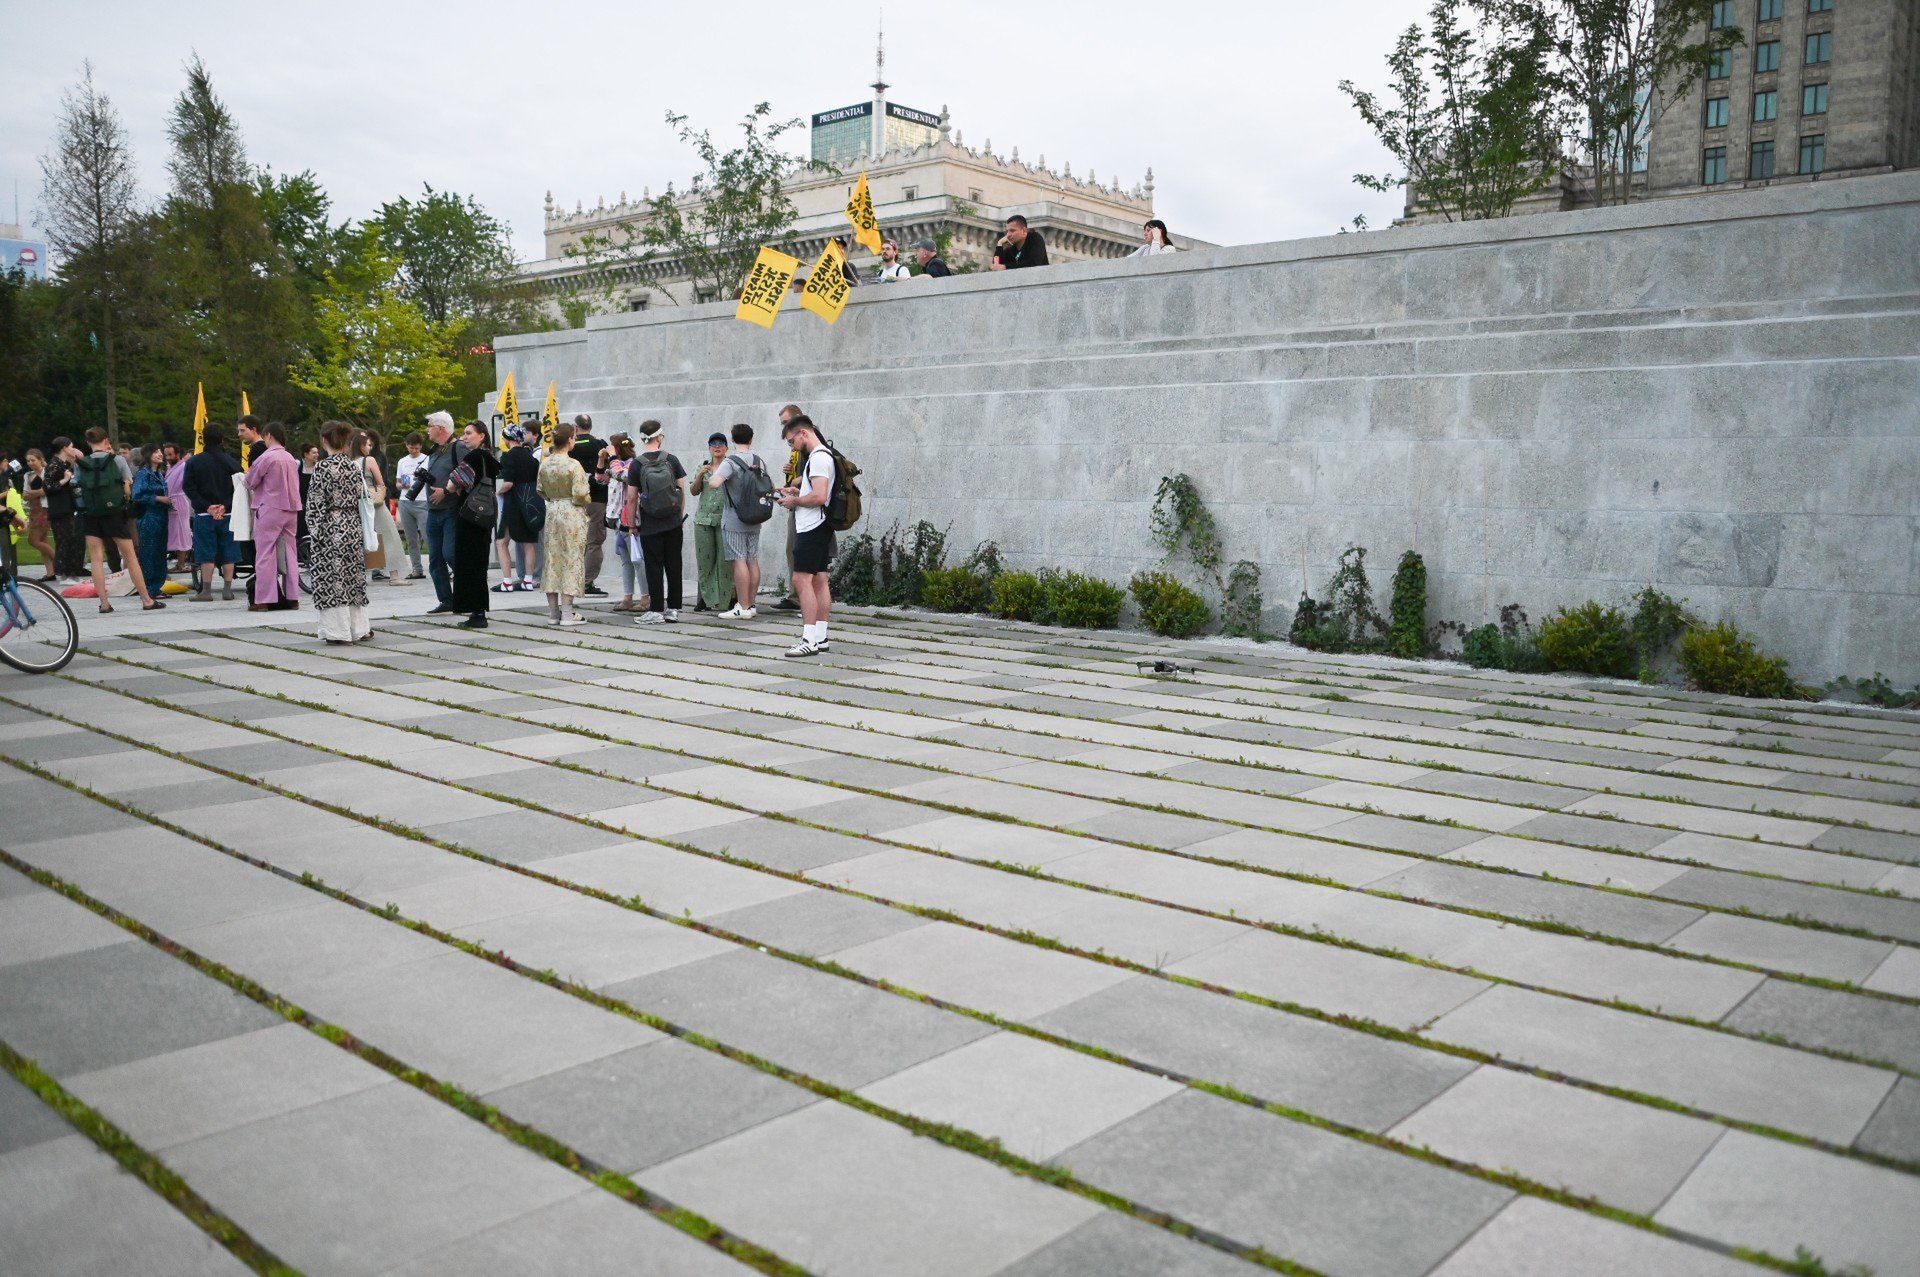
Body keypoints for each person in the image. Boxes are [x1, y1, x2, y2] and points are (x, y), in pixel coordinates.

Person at [74, 427, 163, 613]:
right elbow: (128, 487)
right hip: (115, 513)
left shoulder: (80, 463)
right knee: (131, 558)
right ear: (106, 440)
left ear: (88, 442)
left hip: (90, 514)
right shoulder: (118, 460)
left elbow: (78, 488)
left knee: (96, 559)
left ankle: (104, 603)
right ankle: (146, 600)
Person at [308, 422, 373, 644]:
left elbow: (315, 504)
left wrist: (314, 531)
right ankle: (360, 628)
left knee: (331, 579)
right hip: (352, 525)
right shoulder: (354, 466)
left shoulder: (322, 467)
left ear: (324, 440)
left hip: (330, 527)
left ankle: (338, 632)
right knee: (353, 576)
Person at [776, 415, 835, 657]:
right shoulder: (822, 456)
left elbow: (819, 497)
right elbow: (817, 492)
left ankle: (808, 639)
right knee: (820, 581)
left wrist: (795, 500)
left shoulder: (819, 458)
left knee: (801, 581)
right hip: (820, 526)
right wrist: (797, 490)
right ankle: (820, 637)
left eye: (792, 441)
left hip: (811, 527)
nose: (792, 446)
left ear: (804, 433)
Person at [627, 420, 686, 624]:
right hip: (673, 521)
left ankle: (655, 610)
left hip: (650, 523)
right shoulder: (672, 460)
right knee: (674, 563)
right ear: (660, 437)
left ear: (643, 438)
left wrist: (632, 524)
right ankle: (674, 609)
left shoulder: (637, 464)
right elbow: (681, 490)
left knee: (653, 565)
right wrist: (679, 516)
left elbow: (632, 497)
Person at [536, 420, 591, 627]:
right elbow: (580, 493)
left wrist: (553, 498)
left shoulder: (546, 462)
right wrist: (584, 499)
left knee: (552, 559)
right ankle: (567, 613)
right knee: (571, 558)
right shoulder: (573, 464)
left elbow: (540, 489)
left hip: (552, 511)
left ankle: (553, 613)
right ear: (569, 440)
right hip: (571, 512)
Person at [711, 422, 769, 619]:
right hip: (755, 517)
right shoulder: (759, 460)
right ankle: (751, 605)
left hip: (734, 518)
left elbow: (714, 483)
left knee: (739, 560)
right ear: (751, 440)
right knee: (752, 559)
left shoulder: (730, 462)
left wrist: (715, 473)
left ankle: (742, 607)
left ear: (733, 440)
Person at [445, 420, 499, 629]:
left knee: (468, 564)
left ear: (481, 436)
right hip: (485, 517)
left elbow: (452, 484)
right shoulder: (490, 458)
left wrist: (451, 489)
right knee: (480, 564)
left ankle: (476, 613)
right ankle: (480, 611)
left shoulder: (473, 457)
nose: (464, 437)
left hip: (469, 516)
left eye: (469, 433)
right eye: (463, 433)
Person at [245, 421, 302, 612]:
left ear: (268, 436)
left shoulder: (266, 458)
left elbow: (250, 481)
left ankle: (264, 600)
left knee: (265, 554)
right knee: (290, 553)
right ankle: (293, 597)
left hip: (270, 508)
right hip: (292, 509)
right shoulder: (290, 457)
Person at [183, 428, 243, 601]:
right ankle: (227, 589)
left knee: (206, 552)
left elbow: (188, 487)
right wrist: (225, 506)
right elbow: (240, 487)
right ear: (222, 439)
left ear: (203, 439)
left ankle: (206, 591)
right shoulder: (232, 462)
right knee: (229, 551)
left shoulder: (194, 462)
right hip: (228, 514)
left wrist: (206, 506)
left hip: (204, 515)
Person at [420, 411, 467, 614]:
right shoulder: (434, 449)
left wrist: (447, 491)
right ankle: (446, 600)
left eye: (430, 425)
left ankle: (467, 594)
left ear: (441, 428)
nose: (427, 429)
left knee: (450, 553)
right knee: (435, 559)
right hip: (433, 511)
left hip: (451, 508)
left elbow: (467, 475)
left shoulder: (458, 447)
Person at [687, 432, 735, 613]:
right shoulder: (704, 466)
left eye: (721, 444)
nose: (717, 447)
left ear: (726, 447)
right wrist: (699, 475)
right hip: (703, 519)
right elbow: (693, 491)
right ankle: (704, 599)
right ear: (709, 447)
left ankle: (725, 601)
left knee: (725, 562)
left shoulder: (731, 466)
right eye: (713, 444)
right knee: (704, 561)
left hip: (725, 519)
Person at [605, 433, 650, 614]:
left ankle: (646, 597)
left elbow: (621, 475)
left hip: (632, 519)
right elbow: (600, 479)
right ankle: (627, 596)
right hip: (618, 520)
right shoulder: (615, 464)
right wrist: (602, 461)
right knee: (625, 561)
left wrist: (613, 458)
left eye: (611, 446)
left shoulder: (634, 464)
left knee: (638, 560)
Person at [494, 423, 540, 592]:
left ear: (508, 439)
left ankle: (507, 581)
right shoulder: (531, 458)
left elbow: (508, 483)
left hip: (513, 504)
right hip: (529, 505)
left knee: (501, 542)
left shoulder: (507, 457)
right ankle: (528, 580)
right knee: (528, 543)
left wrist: (497, 492)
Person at [567, 414, 609, 597]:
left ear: (575, 428)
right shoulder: (600, 444)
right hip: (597, 499)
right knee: (594, 542)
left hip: (575, 499)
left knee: (576, 540)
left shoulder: (571, 446)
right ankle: (587, 582)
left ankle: (574, 579)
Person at [358, 429, 406, 586]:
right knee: (390, 537)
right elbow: (382, 481)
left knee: (362, 538)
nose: (370, 447)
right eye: (367, 444)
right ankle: (394, 575)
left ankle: (359, 576)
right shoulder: (370, 459)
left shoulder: (348, 461)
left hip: (357, 505)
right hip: (374, 503)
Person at [772, 403, 805, 611]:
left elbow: (817, 470)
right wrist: (789, 474)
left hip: (807, 505)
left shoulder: (809, 440)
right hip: (798, 502)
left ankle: (799, 596)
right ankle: (797, 595)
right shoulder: (797, 445)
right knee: (793, 550)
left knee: (797, 550)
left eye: (785, 423)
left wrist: (794, 482)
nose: (783, 428)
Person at [131, 444, 172, 594]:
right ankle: (148, 587)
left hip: (161, 517)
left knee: (160, 552)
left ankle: (157, 586)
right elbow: (136, 496)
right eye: (156, 452)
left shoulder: (160, 474)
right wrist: (159, 498)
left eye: (160, 451)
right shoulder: (144, 474)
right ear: (148, 455)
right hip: (148, 517)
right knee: (149, 552)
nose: (160, 454)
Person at [43, 437, 82, 579]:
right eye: (71, 446)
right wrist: (65, 480)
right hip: (60, 509)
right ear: (64, 448)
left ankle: (71, 573)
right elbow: (47, 486)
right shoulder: (54, 464)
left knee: (72, 539)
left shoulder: (63, 464)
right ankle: (64, 574)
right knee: (64, 540)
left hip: (68, 507)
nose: (73, 449)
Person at [393, 432, 430, 580]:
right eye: (410, 448)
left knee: (428, 536)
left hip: (422, 501)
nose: (413, 450)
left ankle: (438, 567)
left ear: (420, 446)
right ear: (406, 446)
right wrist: (401, 484)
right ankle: (417, 569)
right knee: (411, 538)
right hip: (405, 500)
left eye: (415, 448)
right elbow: (397, 482)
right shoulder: (402, 461)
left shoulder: (427, 459)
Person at [19, 450, 57, 581]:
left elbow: (46, 491)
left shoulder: (48, 473)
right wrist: (37, 493)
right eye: (28, 460)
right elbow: (24, 494)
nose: (30, 463)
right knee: (43, 540)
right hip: (34, 509)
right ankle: (50, 572)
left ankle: (60, 561)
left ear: (40, 460)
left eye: (33, 460)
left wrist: (34, 493)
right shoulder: (27, 475)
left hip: (45, 509)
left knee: (33, 540)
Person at [162, 443, 193, 575]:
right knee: (173, 532)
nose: (167, 457)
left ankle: (181, 564)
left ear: (178, 454)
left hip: (179, 501)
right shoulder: (170, 468)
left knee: (181, 532)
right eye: (166, 455)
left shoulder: (184, 466)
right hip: (169, 502)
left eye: (170, 454)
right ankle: (179, 563)